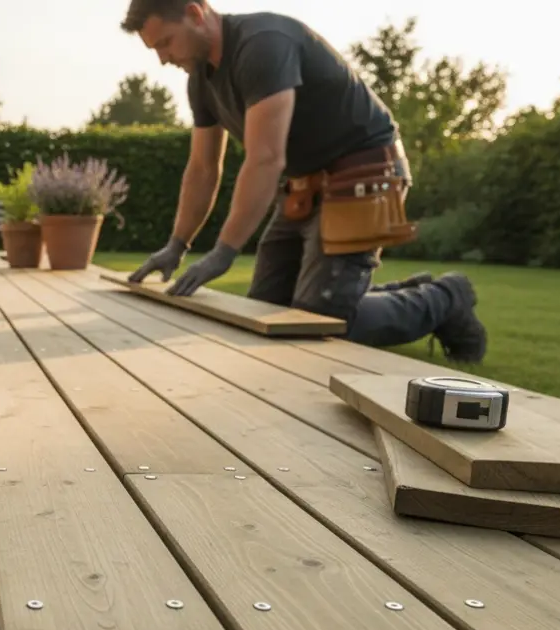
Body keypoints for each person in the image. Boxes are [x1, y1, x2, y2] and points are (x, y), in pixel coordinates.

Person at [121, 0, 487, 363]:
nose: (163, 59)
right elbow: (202, 168)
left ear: (195, 14)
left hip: (363, 174)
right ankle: (409, 291)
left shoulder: (263, 44)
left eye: (166, 42)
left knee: (316, 323)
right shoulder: (201, 80)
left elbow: (265, 158)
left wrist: (224, 251)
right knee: (264, 313)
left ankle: (445, 297)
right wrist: (177, 244)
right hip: (304, 185)